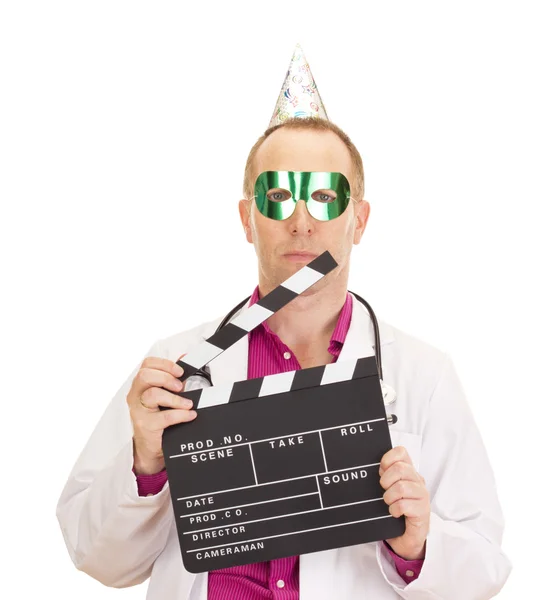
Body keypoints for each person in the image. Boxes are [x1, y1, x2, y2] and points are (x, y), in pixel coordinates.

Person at [56, 47, 512, 600]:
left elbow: (486, 568)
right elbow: (97, 559)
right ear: (248, 219)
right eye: (277, 197)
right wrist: (146, 462)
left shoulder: (424, 375)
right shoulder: (176, 370)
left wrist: (418, 543)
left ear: (358, 220)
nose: (300, 223)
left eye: (324, 197)